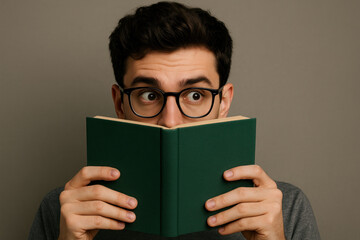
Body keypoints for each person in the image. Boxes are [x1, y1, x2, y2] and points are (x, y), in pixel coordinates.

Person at [28, 2, 320, 240]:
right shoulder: (62, 209)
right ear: (119, 102)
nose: (170, 121)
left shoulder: (285, 207)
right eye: (148, 95)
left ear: (224, 102)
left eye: (195, 95)